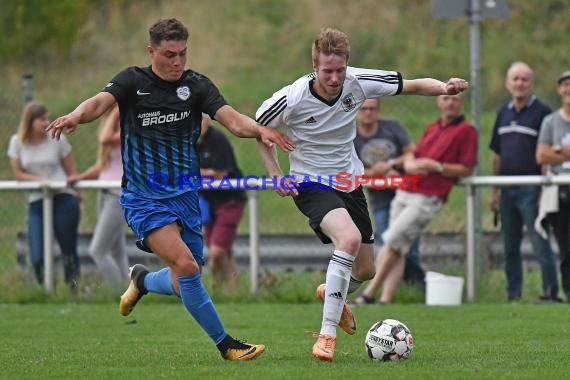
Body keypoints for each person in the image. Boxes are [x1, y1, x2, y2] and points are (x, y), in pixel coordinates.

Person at [46, 18, 294, 361]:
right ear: (152, 52)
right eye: (169, 55)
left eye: (183, 54)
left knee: (183, 281)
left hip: (186, 197)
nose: (178, 62)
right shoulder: (133, 81)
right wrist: (75, 116)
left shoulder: (196, 86)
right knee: (188, 268)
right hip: (144, 199)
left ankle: (143, 281)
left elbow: (233, 120)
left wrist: (259, 131)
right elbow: (98, 102)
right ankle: (227, 346)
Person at [255, 27, 468, 362]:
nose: (335, 77)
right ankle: (326, 335)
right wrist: (276, 175)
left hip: (349, 182)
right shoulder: (292, 97)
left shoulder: (358, 81)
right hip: (310, 182)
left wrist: (444, 86)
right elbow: (260, 129)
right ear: (315, 66)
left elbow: (411, 86)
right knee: (349, 240)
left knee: (366, 270)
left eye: (340, 70)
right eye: (327, 71)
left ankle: (333, 294)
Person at [357, 93, 477, 306]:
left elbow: (466, 168)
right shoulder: (433, 127)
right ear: (439, 102)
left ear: (462, 103)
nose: (450, 103)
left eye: (456, 99)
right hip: (406, 189)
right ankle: (385, 299)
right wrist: (401, 165)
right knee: (398, 246)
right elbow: (413, 154)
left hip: (429, 195)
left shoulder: (467, 131)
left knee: (393, 239)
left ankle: (368, 293)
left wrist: (438, 167)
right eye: (446, 99)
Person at [489, 61, 560, 302]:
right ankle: (513, 295)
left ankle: (550, 293)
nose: (520, 83)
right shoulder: (503, 112)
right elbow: (496, 155)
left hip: (532, 189)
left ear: (532, 83)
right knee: (510, 247)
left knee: (540, 243)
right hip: (507, 190)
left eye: (524, 79)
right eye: (515, 79)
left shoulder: (543, 112)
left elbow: (546, 154)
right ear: (508, 84)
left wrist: (543, 189)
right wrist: (495, 192)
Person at [351, 98, 422, 306]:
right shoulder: (351, 136)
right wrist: (375, 172)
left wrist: (390, 164)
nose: (368, 113)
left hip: (404, 193)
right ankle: (386, 293)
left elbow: (412, 151)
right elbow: (349, 170)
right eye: (364, 109)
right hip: (379, 198)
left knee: (409, 246)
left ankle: (412, 289)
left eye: (373, 109)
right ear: (357, 112)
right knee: (388, 241)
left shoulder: (392, 127)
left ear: (378, 111)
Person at [7, 101, 81, 289]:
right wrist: (41, 181)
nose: (46, 122)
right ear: (30, 121)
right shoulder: (17, 142)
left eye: (47, 118)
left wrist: (78, 194)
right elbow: (18, 173)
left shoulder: (58, 138)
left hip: (63, 199)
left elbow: (71, 171)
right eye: (41, 119)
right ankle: (46, 290)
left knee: (68, 250)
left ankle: (74, 291)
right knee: (37, 254)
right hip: (38, 200)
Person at [67, 105, 129, 292]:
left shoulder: (130, 130)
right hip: (104, 193)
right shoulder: (112, 128)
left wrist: (119, 107)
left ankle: (121, 293)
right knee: (117, 249)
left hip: (118, 195)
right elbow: (104, 166)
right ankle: (127, 291)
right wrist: (81, 177)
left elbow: (105, 138)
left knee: (98, 250)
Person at [197, 114, 247, 292]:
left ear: (207, 121)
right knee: (223, 251)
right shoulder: (189, 141)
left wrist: (193, 172)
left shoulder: (217, 140)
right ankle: (232, 290)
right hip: (208, 203)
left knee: (217, 251)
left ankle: (216, 286)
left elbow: (221, 174)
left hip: (229, 201)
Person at [535, 70, 570, 302]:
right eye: (565, 85)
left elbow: (551, 152)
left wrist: (559, 151)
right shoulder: (551, 121)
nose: (569, 89)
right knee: (566, 248)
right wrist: (554, 153)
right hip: (561, 191)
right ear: (559, 90)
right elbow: (542, 156)